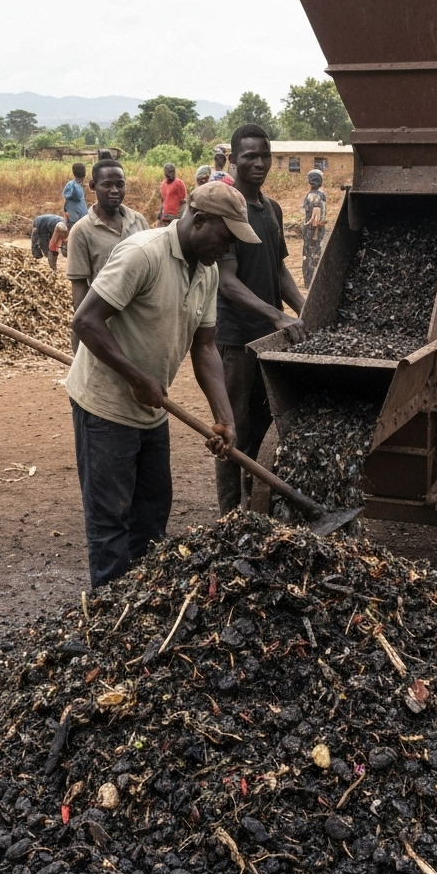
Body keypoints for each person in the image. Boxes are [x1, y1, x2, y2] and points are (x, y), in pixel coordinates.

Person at [67, 181, 260, 587]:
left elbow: (205, 347)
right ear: (199, 219)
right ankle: (109, 616)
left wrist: (225, 418)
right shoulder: (143, 254)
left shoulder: (205, 271)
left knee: (153, 514)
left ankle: (142, 602)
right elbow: (85, 321)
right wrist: (137, 378)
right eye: (224, 239)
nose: (225, 252)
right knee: (110, 520)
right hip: (106, 405)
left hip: (152, 411)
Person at [215, 123, 307, 515]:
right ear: (233, 159)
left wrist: (304, 310)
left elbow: (280, 271)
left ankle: (254, 509)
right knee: (232, 428)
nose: (259, 163)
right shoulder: (226, 207)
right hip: (236, 339)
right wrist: (275, 315)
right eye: (249, 156)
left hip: (267, 340)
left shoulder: (271, 209)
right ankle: (229, 514)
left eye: (265, 155)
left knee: (264, 426)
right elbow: (226, 280)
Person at [66, 157, 149, 350]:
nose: (115, 191)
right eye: (107, 185)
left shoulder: (138, 222)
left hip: (137, 325)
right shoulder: (82, 231)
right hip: (103, 326)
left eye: (120, 185)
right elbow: (79, 293)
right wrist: (91, 330)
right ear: (93, 186)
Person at [301, 169, 328, 286]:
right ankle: (312, 281)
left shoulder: (311, 195)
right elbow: (316, 218)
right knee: (313, 253)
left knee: (309, 253)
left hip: (311, 229)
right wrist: (315, 232)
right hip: (314, 229)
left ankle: (309, 281)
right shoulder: (317, 196)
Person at [63, 163, 89, 228]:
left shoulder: (70, 185)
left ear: (73, 173)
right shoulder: (78, 187)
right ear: (84, 173)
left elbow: (66, 200)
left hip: (73, 219)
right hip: (83, 219)